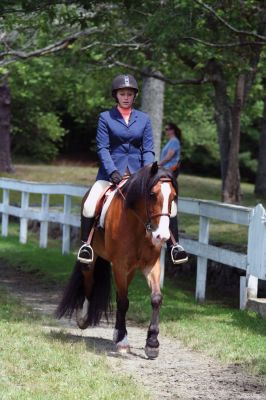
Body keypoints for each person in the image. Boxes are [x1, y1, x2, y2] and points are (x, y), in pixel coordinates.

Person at [78, 74, 187, 265]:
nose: (126, 97)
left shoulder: (143, 119)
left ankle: (174, 246)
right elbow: (103, 148)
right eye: (122, 94)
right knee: (89, 204)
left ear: (134, 96)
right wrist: (112, 171)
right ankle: (86, 245)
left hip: (139, 174)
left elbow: (148, 149)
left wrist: (147, 173)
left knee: (170, 206)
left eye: (129, 94)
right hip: (110, 173)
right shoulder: (106, 118)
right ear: (116, 96)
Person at [159, 122, 188, 264]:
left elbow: (170, 156)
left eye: (168, 129)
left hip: (169, 172)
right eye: (165, 129)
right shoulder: (170, 141)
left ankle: (174, 244)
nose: (166, 131)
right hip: (164, 171)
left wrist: (159, 164)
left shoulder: (174, 141)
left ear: (173, 130)